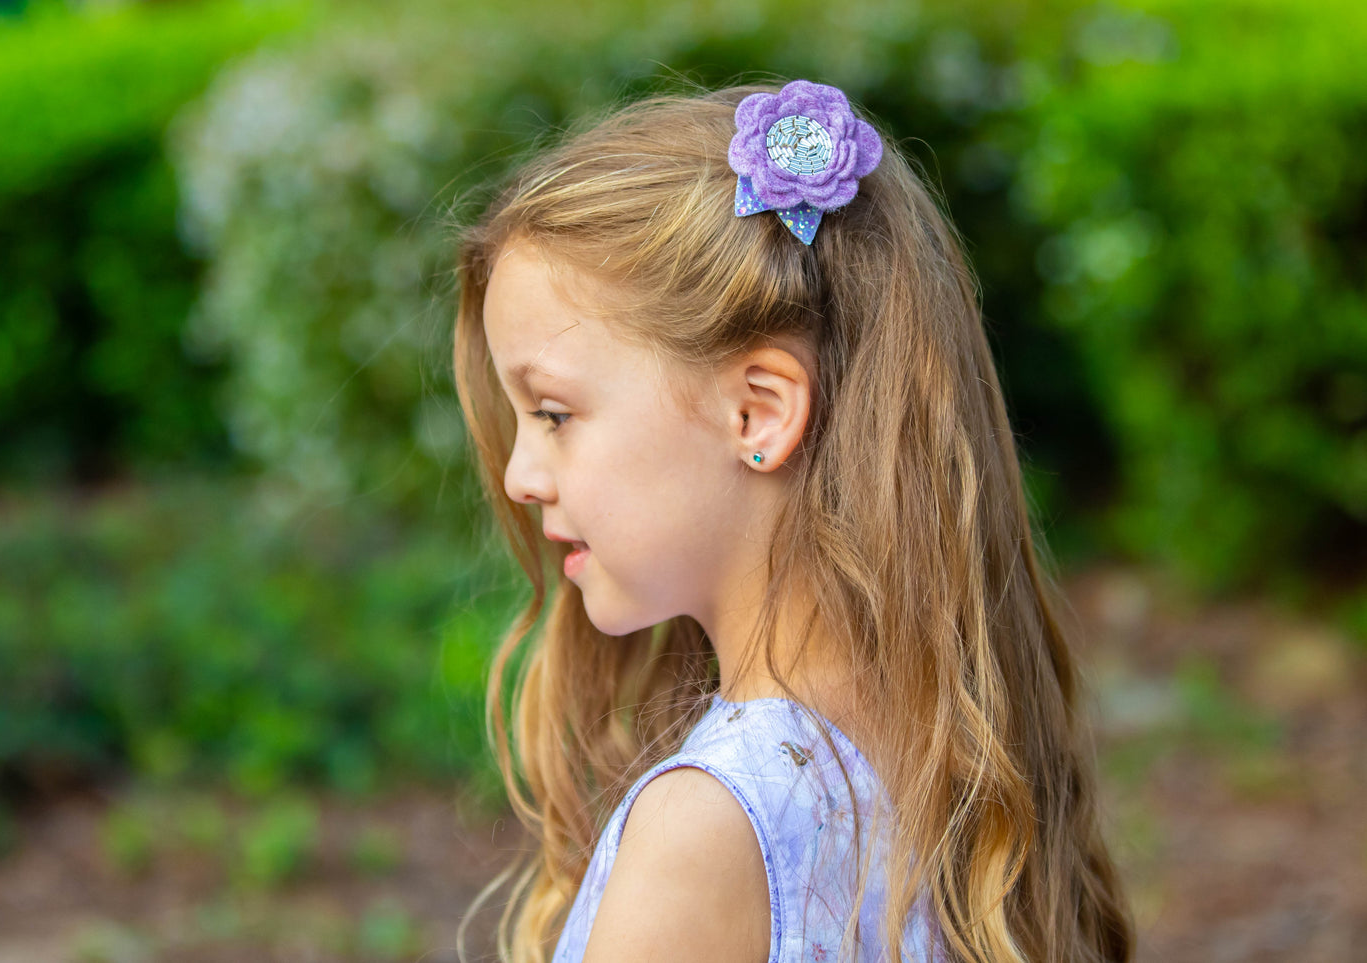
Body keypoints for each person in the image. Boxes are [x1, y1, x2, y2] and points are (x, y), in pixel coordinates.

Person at [451, 79, 1133, 963]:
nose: (518, 475)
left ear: (759, 412)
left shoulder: (706, 826)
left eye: (551, 413)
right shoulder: (947, 761)